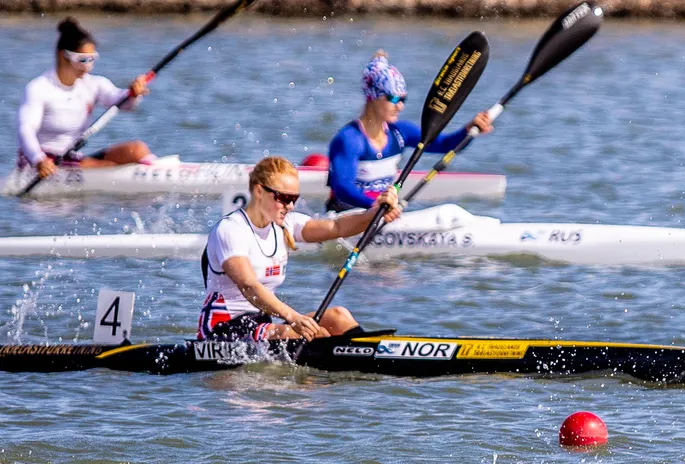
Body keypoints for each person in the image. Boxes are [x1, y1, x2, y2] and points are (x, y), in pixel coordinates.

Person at [198, 156, 402, 341]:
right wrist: (293, 317)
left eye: (294, 199)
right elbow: (249, 286)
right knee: (314, 334)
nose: (291, 206)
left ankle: (365, 355)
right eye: (284, 198)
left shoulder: (286, 225)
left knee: (339, 316)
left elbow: (337, 227)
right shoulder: (231, 229)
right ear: (259, 191)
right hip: (223, 329)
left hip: (261, 325)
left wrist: (374, 214)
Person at [325, 51, 495, 212]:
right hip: (347, 216)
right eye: (393, 98)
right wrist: (374, 204)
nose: (400, 106)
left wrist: (469, 130)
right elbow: (342, 188)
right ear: (373, 96)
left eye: (403, 99)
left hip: (382, 213)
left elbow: (444, 145)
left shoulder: (401, 132)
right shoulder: (349, 139)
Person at [17, 17, 154, 180]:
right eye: (82, 60)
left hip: (72, 159)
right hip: (42, 164)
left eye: (92, 59)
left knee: (138, 150)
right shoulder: (39, 88)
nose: (88, 66)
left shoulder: (93, 84)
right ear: (63, 56)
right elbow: (26, 130)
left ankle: (157, 170)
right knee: (109, 167)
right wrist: (39, 160)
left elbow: (123, 103)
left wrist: (133, 93)